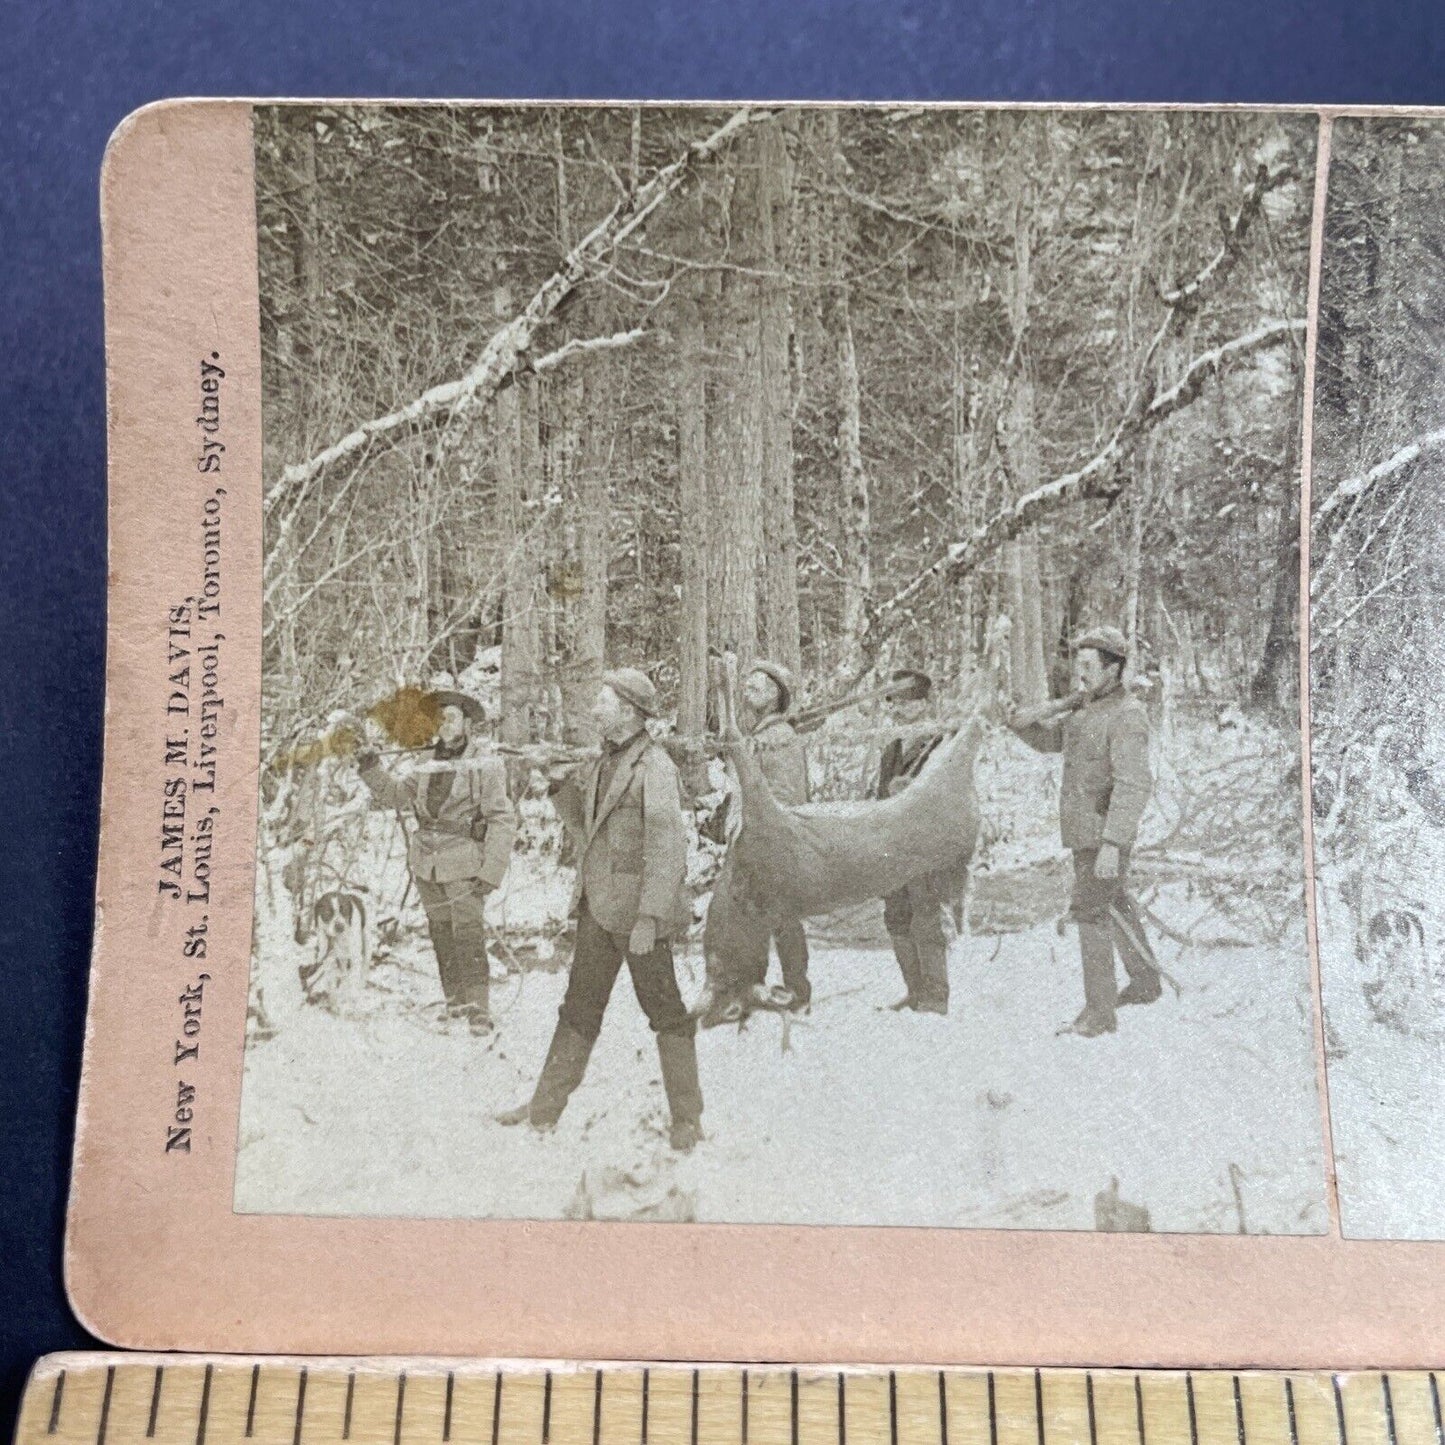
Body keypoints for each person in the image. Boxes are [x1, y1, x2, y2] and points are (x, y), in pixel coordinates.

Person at [498, 668, 703, 1151]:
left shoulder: (655, 767)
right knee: (578, 1010)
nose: (594, 709)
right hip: (598, 908)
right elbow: (586, 830)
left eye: (603, 702)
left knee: (667, 1013)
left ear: (628, 711)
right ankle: (544, 1109)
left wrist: (650, 918)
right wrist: (556, 786)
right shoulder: (602, 761)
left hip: (638, 917)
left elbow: (668, 848)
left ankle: (687, 1119)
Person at [1005, 625, 1162, 1038]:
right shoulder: (1084, 710)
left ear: (1113, 669)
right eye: (1080, 664)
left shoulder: (1127, 715)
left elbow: (1134, 784)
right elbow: (1051, 740)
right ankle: (1146, 982)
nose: (1081, 673)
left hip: (1104, 835)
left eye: (1090, 665)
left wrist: (1113, 843)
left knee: (1090, 912)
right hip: (1083, 832)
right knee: (1114, 902)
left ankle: (1099, 1014)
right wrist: (1018, 724)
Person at [356, 691, 516, 1035]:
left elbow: (501, 818)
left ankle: (479, 1010)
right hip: (427, 863)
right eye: (439, 719)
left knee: (468, 934)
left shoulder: (485, 764)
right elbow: (398, 795)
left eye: (452, 718)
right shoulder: (427, 760)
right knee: (442, 933)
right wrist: (371, 769)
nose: (444, 724)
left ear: (468, 724)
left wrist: (492, 870)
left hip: (465, 863)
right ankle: (455, 1002)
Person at [702, 660, 813, 1024]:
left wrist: (766, 835)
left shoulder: (779, 738)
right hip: (753, 836)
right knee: (753, 914)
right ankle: (752, 987)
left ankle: (797, 991)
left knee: (781, 916)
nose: (747, 691)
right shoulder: (758, 736)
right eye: (746, 685)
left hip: (772, 839)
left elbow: (785, 793)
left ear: (775, 695)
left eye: (756, 686)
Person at [876, 669, 952, 1014]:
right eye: (893, 703)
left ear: (923, 704)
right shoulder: (892, 748)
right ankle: (915, 990)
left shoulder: (941, 745)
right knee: (896, 915)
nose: (897, 709)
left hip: (925, 845)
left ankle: (935, 996)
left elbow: (949, 796)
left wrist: (912, 792)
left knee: (926, 917)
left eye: (905, 703)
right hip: (893, 846)